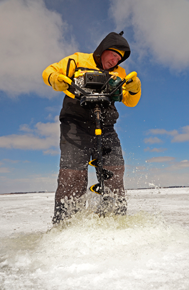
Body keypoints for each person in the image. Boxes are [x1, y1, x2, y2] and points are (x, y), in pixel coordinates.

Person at [42, 31, 141, 224]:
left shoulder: (120, 73)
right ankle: (66, 225)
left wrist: (135, 87)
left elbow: (130, 101)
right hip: (75, 125)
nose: (115, 60)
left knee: (113, 172)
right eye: (113, 54)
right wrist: (55, 79)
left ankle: (115, 221)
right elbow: (49, 71)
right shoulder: (77, 60)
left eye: (119, 58)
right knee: (72, 175)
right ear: (104, 49)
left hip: (106, 127)